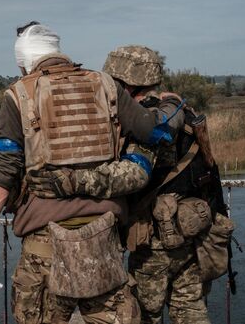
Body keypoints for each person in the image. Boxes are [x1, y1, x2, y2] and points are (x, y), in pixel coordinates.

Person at [0, 23, 186, 324]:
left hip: (44, 245)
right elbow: (155, 132)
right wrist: (172, 103)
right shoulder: (106, 84)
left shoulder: (18, 95)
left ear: (24, 61)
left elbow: (2, 174)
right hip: (102, 240)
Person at [29, 46, 229, 324]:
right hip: (194, 233)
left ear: (124, 83)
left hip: (155, 241)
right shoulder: (177, 111)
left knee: (146, 314)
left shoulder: (147, 118)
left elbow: (134, 174)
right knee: (191, 312)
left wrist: (72, 182)